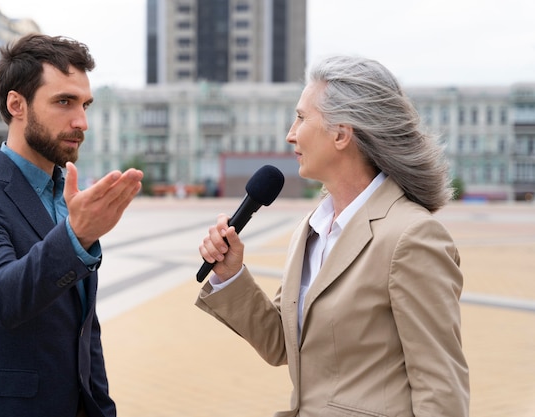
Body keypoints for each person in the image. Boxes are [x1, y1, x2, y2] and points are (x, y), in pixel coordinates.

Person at [196, 56, 469, 416]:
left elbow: (442, 391)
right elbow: (283, 343)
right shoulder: (312, 228)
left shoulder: (412, 237)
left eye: (301, 117)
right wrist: (231, 275)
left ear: (341, 133)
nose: (290, 134)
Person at [0, 34, 143, 417]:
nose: (81, 121)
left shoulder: (67, 196)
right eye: (64, 101)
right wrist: (76, 236)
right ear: (17, 104)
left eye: (85, 104)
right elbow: (3, 298)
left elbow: (82, 328)